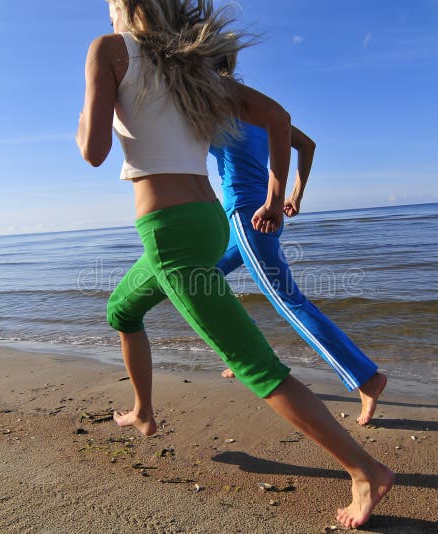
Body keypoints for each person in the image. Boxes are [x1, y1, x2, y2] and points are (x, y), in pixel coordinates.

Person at [75, 1, 393, 528]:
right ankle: (144, 414)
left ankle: (365, 472)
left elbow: (93, 151)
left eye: (110, 6)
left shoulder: (109, 50)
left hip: (170, 233)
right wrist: (278, 190)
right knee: (122, 311)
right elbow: (281, 119)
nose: (107, 16)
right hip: (208, 221)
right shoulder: (192, 68)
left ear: (127, 8)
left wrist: (86, 115)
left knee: (256, 365)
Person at [209, 53, 387, 426]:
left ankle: (366, 378)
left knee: (289, 302)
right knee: (203, 278)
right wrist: (295, 197)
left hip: (249, 216)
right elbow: (308, 146)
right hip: (261, 215)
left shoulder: (218, 103)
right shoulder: (257, 108)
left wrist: (280, 200)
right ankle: (244, 355)